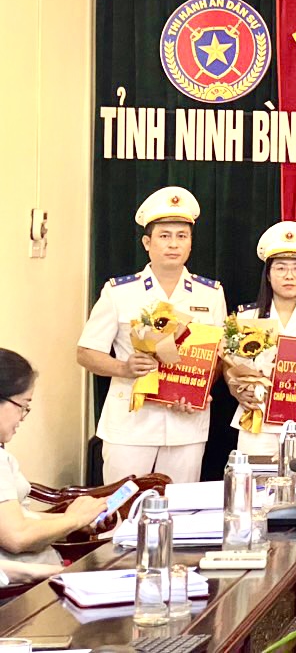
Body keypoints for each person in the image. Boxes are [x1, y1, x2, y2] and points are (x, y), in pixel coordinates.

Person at [76, 186, 228, 484]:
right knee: (121, 505)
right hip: (131, 423)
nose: (173, 244)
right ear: (147, 242)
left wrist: (199, 390)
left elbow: (218, 358)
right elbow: (86, 352)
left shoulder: (211, 294)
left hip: (186, 423)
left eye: (182, 236)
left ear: (191, 243)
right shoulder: (120, 292)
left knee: (180, 506)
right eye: (164, 236)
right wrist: (124, 367)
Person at [225, 221, 296, 457]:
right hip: (257, 420)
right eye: (281, 268)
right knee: (255, 478)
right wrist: (236, 391)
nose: (289, 276)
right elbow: (229, 365)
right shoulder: (246, 317)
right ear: (268, 274)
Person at [0, 349, 106, 584]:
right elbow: (16, 536)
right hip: (25, 587)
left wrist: (69, 521)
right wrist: (73, 520)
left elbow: (17, 519)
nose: (23, 417)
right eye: (23, 405)